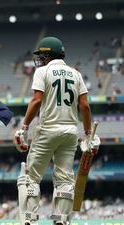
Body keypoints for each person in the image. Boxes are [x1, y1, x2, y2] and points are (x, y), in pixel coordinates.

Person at [14, 37, 100, 225]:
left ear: (47, 55)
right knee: (64, 179)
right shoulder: (76, 74)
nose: (39, 59)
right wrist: (88, 134)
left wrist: (24, 127)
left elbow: (36, 100)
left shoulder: (43, 71)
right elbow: (84, 106)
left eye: (41, 56)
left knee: (30, 177)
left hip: (48, 129)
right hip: (70, 132)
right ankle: (60, 220)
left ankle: (29, 220)